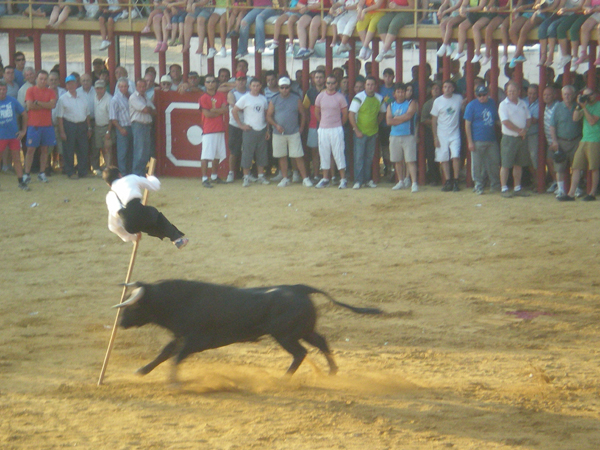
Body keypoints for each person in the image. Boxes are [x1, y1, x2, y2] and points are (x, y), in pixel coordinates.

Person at [103, 167, 188, 249]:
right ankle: (177, 239)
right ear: (120, 175)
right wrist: (151, 177)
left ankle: (170, 236)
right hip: (141, 212)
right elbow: (155, 186)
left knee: (150, 226)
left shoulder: (110, 196)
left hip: (129, 225)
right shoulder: (130, 178)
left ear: (108, 184)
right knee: (157, 218)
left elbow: (113, 226)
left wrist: (132, 237)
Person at [266, 76, 312, 187]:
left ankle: (305, 178)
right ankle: (285, 178)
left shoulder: (296, 99)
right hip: (278, 133)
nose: (284, 89)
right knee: (282, 156)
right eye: (282, 87)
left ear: (290, 87)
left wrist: (301, 128)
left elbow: (303, 114)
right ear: (279, 88)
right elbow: (268, 115)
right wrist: (276, 125)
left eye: (286, 87)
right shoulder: (274, 99)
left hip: (293, 132)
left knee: (298, 156)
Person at [558, 87, 600, 201]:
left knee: (594, 168)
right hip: (584, 139)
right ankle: (571, 193)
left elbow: (592, 121)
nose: (587, 97)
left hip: (595, 139)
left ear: (595, 95)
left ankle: (592, 193)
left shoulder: (598, 106)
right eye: (584, 95)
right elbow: (575, 118)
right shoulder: (583, 106)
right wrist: (578, 105)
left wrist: (584, 107)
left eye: (589, 95)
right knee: (576, 166)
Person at [232, 78, 270, 187]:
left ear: (260, 86)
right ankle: (246, 177)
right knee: (247, 154)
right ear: (250, 86)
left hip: (261, 129)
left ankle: (261, 176)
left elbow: (266, 115)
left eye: (258, 85)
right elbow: (234, 110)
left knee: (261, 154)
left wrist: (267, 130)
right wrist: (241, 125)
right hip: (250, 129)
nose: (256, 88)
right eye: (254, 85)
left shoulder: (263, 99)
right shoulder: (245, 98)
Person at [349, 76, 386, 189]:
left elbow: (382, 113)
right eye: (368, 84)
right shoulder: (358, 97)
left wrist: (376, 124)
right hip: (360, 132)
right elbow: (351, 114)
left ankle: (366, 180)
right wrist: (356, 129)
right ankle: (358, 181)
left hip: (372, 132)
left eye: (372, 85)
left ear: (375, 86)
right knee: (359, 157)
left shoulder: (380, 98)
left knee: (369, 158)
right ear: (365, 85)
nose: (370, 87)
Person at [464, 85, 501, 194]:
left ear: (487, 94)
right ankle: (478, 185)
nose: (482, 97)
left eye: (484, 95)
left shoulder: (492, 103)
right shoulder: (471, 105)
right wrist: (470, 141)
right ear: (476, 95)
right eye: (479, 95)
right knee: (477, 165)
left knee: (494, 163)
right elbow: (467, 124)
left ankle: (495, 185)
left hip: (491, 139)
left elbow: (496, 120)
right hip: (477, 139)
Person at [314, 75, 349, 188]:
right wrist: (323, 123)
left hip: (336, 129)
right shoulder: (320, 96)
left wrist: (338, 124)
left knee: (338, 153)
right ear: (326, 83)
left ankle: (343, 179)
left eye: (332, 83)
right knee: (324, 153)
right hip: (323, 129)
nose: (330, 85)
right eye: (328, 83)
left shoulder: (340, 97)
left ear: (336, 84)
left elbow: (345, 114)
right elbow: (317, 112)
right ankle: (325, 178)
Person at [498, 81, 532, 197]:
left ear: (518, 92)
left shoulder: (523, 103)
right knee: (506, 164)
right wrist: (520, 131)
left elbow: (528, 118)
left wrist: (525, 130)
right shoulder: (503, 105)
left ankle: (517, 188)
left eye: (514, 91)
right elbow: (505, 122)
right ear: (506, 92)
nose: (511, 93)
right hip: (509, 138)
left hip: (521, 138)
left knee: (519, 164)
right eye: (509, 91)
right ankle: (504, 188)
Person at [24, 70, 56, 184]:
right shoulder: (30, 90)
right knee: (30, 150)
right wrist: (44, 105)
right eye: (41, 78)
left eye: (44, 79)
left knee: (44, 150)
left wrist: (38, 103)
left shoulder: (51, 91)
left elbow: (52, 105)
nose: (43, 81)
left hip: (47, 125)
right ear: (37, 78)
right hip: (34, 125)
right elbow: (30, 105)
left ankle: (41, 173)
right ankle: (26, 174)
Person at [550, 85, 583, 196]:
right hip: (561, 141)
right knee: (560, 167)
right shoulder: (557, 107)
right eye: (565, 94)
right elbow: (552, 126)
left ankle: (576, 188)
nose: (567, 96)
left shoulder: (578, 106)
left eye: (569, 94)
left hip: (576, 140)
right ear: (562, 95)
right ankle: (561, 189)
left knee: (577, 166)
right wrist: (554, 141)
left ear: (573, 95)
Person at [57, 74, 92, 180]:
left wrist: (89, 128)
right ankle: (70, 172)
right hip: (69, 125)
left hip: (82, 125)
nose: (71, 85)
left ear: (77, 84)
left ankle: (82, 171)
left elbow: (87, 114)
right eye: (68, 84)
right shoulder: (62, 99)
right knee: (69, 149)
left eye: (72, 83)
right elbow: (60, 117)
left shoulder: (83, 97)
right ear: (66, 86)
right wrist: (62, 131)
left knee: (83, 149)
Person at [431, 80, 463, 192]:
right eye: (445, 87)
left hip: (455, 132)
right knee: (443, 158)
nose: (447, 89)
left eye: (449, 87)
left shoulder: (458, 98)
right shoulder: (438, 101)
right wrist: (435, 137)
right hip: (442, 134)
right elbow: (434, 120)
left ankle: (456, 180)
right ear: (442, 89)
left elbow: (463, 107)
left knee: (456, 156)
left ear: (453, 88)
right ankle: (448, 180)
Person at [387, 82, 418, 192]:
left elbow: (409, 116)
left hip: (408, 135)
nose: (400, 94)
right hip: (394, 136)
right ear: (394, 94)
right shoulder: (390, 105)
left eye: (402, 92)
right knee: (397, 160)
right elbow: (388, 121)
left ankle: (414, 183)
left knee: (410, 160)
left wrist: (396, 118)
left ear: (405, 93)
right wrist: (401, 118)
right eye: (398, 92)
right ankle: (400, 181)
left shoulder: (411, 102)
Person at [199, 75, 228, 188]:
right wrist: (219, 111)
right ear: (205, 84)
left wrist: (215, 111)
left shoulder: (220, 95)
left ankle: (214, 176)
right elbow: (207, 114)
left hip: (219, 129)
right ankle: (205, 178)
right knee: (206, 155)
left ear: (216, 83)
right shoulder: (203, 98)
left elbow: (225, 110)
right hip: (209, 130)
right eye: (208, 82)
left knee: (217, 155)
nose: (210, 84)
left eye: (212, 82)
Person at [0, 80, 29, 191]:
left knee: (17, 159)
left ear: (6, 90)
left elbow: (24, 114)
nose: (2, 91)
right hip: (1, 136)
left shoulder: (12, 101)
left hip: (13, 135)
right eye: (0, 89)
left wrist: (23, 130)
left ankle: (21, 182)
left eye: (4, 89)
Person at [129, 78, 156, 177]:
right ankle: (137, 173)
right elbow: (146, 109)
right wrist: (148, 109)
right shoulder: (133, 97)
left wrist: (148, 109)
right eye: (140, 86)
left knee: (145, 151)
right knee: (140, 150)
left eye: (144, 86)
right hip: (138, 125)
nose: (142, 88)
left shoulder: (145, 97)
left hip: (145, 125)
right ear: (136, 87)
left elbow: (154, 110)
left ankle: (141, 172)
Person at [303, 69, 326, 181]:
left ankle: (328, 175)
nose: (318, 79)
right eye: (316, 77)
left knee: (328, 151)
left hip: (327, 125)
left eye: (320, 77)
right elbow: (305, 109)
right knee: (314, 152)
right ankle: (316, 175)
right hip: (313, 125)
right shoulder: (310, 92)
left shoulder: (329, 91)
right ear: (313, 79)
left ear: (324, 78)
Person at [226, 71, 248, 183]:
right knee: (234, 151)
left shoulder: (250, 92)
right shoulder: (232, 93)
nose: (241, 82)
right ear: (235, 81)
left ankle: (246, 174)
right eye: (239, 80)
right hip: (235, 124)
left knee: (247, 151)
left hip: (248, 124)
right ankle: (231, 172)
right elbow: (233, 105)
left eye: (243, 79)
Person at [110, 77, 133, 175]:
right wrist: (120, 129)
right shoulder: (115, 99)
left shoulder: (131, 96)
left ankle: (130, 172)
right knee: (122, 153)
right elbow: (113, 118)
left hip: (132, 126)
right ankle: (123, 173)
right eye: (121, 86)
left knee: (131, 151)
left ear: (128, 87)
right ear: (118, 87)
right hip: (122, 127)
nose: (124, 88)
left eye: (125, 86)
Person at [93, 80, 113, 174]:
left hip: (106, 127)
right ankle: (104, 168)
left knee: (107, 149)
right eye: (97, 88)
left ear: (104, 88)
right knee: (99, 148)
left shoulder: (109, 99)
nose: (99, 90)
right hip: (97, 127)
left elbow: (111, 117)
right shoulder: (94, 98)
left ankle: (108, 168)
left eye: (101, 88)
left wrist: (108, 131)